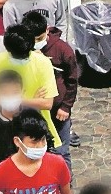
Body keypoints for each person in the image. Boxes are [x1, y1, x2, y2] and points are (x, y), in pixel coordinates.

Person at [0, 24, 62, 149]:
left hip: (37, 133)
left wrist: (13, 100)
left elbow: (47, 104)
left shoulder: (42, 63)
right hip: (6, 135)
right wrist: (33, 102)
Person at [21, 9, 80, 169]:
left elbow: (72, 80)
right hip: (35, 111)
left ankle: (65, 182)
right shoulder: (23, 50)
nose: (36, 44)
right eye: (32, 41)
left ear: (47, 30)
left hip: (58, 112)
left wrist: (65, 107)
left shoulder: (63, 50)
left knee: (61, 151)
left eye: (39, 39)